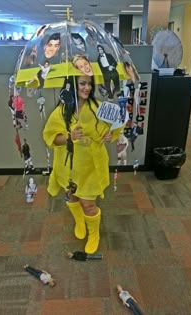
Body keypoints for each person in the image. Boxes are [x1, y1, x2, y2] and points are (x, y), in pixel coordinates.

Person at [43, 75, 123, 254]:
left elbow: (117, 123)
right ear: (73, 85)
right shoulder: (61, 111)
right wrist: (69, 137)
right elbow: (50, 136)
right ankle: (79, 220)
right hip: (68, 166)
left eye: (89, 84)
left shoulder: (98, 108)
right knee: (71, 197)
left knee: (88, 204)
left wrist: (111, 135)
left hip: (91, 166)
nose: (87, 88)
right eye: (82, 83)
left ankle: (94, 234)